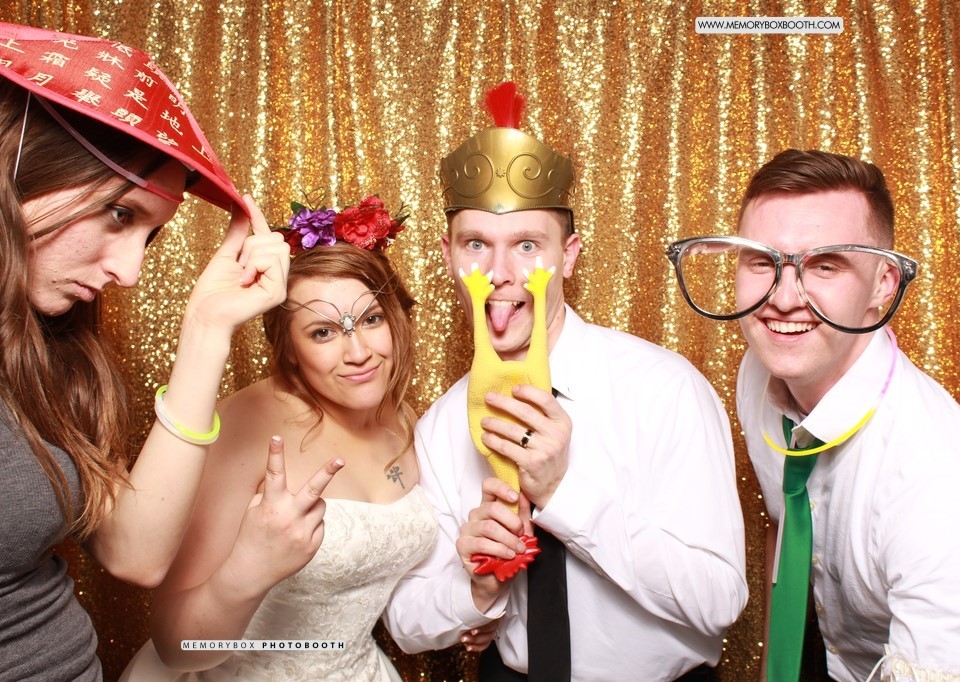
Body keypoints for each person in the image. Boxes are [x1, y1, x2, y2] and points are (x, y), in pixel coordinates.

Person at [384, 82, 748, 681]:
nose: (499, 273)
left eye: (527, 245)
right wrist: (475, 589)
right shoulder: (443, 424)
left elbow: (719, 601)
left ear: (569, 255)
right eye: (477, 244)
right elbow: (406, 623)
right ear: (449, 255)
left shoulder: (664, 389)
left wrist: (562, 494)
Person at [0, 21, 289, 681]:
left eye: (149, 235)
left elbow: (134, 552)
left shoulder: (47, 349)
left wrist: (207, 329)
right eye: (120, 214)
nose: (130, 273)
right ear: (19, 164)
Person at [667, 148, 960, 680]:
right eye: (762, 261)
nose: (782, 299)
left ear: (884, 284)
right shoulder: (761, 374)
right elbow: (784, 524)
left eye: (825, 265)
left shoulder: (944, 481)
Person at [121, 196, 444, 681]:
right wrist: (250, 568)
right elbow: (176, 646)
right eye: (323, 332)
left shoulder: (402, 416)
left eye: (371, 320)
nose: (359, 352)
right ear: (288, 348)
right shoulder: (244, 426)